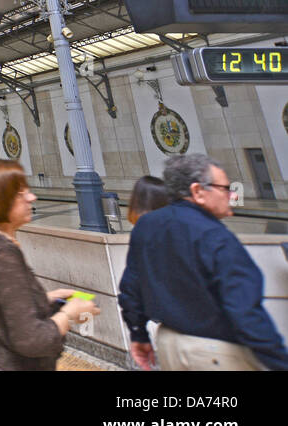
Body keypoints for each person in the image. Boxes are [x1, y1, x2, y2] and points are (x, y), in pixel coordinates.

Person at [118, 154, 288, 371]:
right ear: (198, 191)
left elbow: (131, 289)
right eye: (224, 188)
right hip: (216, 353)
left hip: (169, 345)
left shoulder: (147, 225)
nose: (231, 194)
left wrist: (138, 334)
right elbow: (245, 311)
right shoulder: (215, 236)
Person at [0, 160, 99, 370]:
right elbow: (32, 340)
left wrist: (44, 298)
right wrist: (70, 313)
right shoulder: (2, 252)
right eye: (21, 193)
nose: (32, 197)